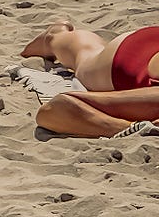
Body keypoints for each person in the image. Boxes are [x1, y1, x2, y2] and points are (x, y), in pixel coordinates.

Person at [20, 21, 159, 136]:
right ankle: (55, 36)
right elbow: (55, 109)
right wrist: (132, 128)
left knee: (89, 51)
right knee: (85, 56)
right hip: (127, 58)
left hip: (151, 46)